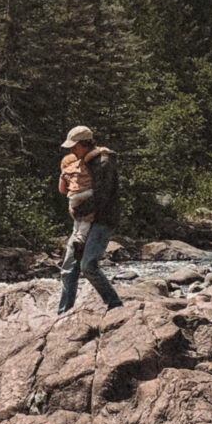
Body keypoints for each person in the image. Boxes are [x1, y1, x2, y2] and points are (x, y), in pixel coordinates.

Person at [56, 125, 122, 315]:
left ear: (84, 143)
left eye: (74, 146)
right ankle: (63, 312)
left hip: (101, 220)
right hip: (84, 220)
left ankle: (114, 304)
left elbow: (103, 195)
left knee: (88, 266)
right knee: (68, 268)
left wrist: (78, 211)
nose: (71, 150)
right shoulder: (83, 160)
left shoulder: (104, 162)